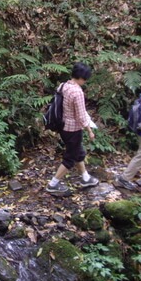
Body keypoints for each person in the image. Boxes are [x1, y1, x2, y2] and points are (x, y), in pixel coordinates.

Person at [46, 62, 99, 195]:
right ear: (82, 77)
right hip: (73, 129)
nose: (85, 81)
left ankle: (85, 178)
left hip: (63, 126)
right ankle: (53, 184)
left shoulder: (64, 85)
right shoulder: (77, 92)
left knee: (78, 151)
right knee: (70, 158)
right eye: (85, 78)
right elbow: (81, 116)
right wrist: (90, 131)